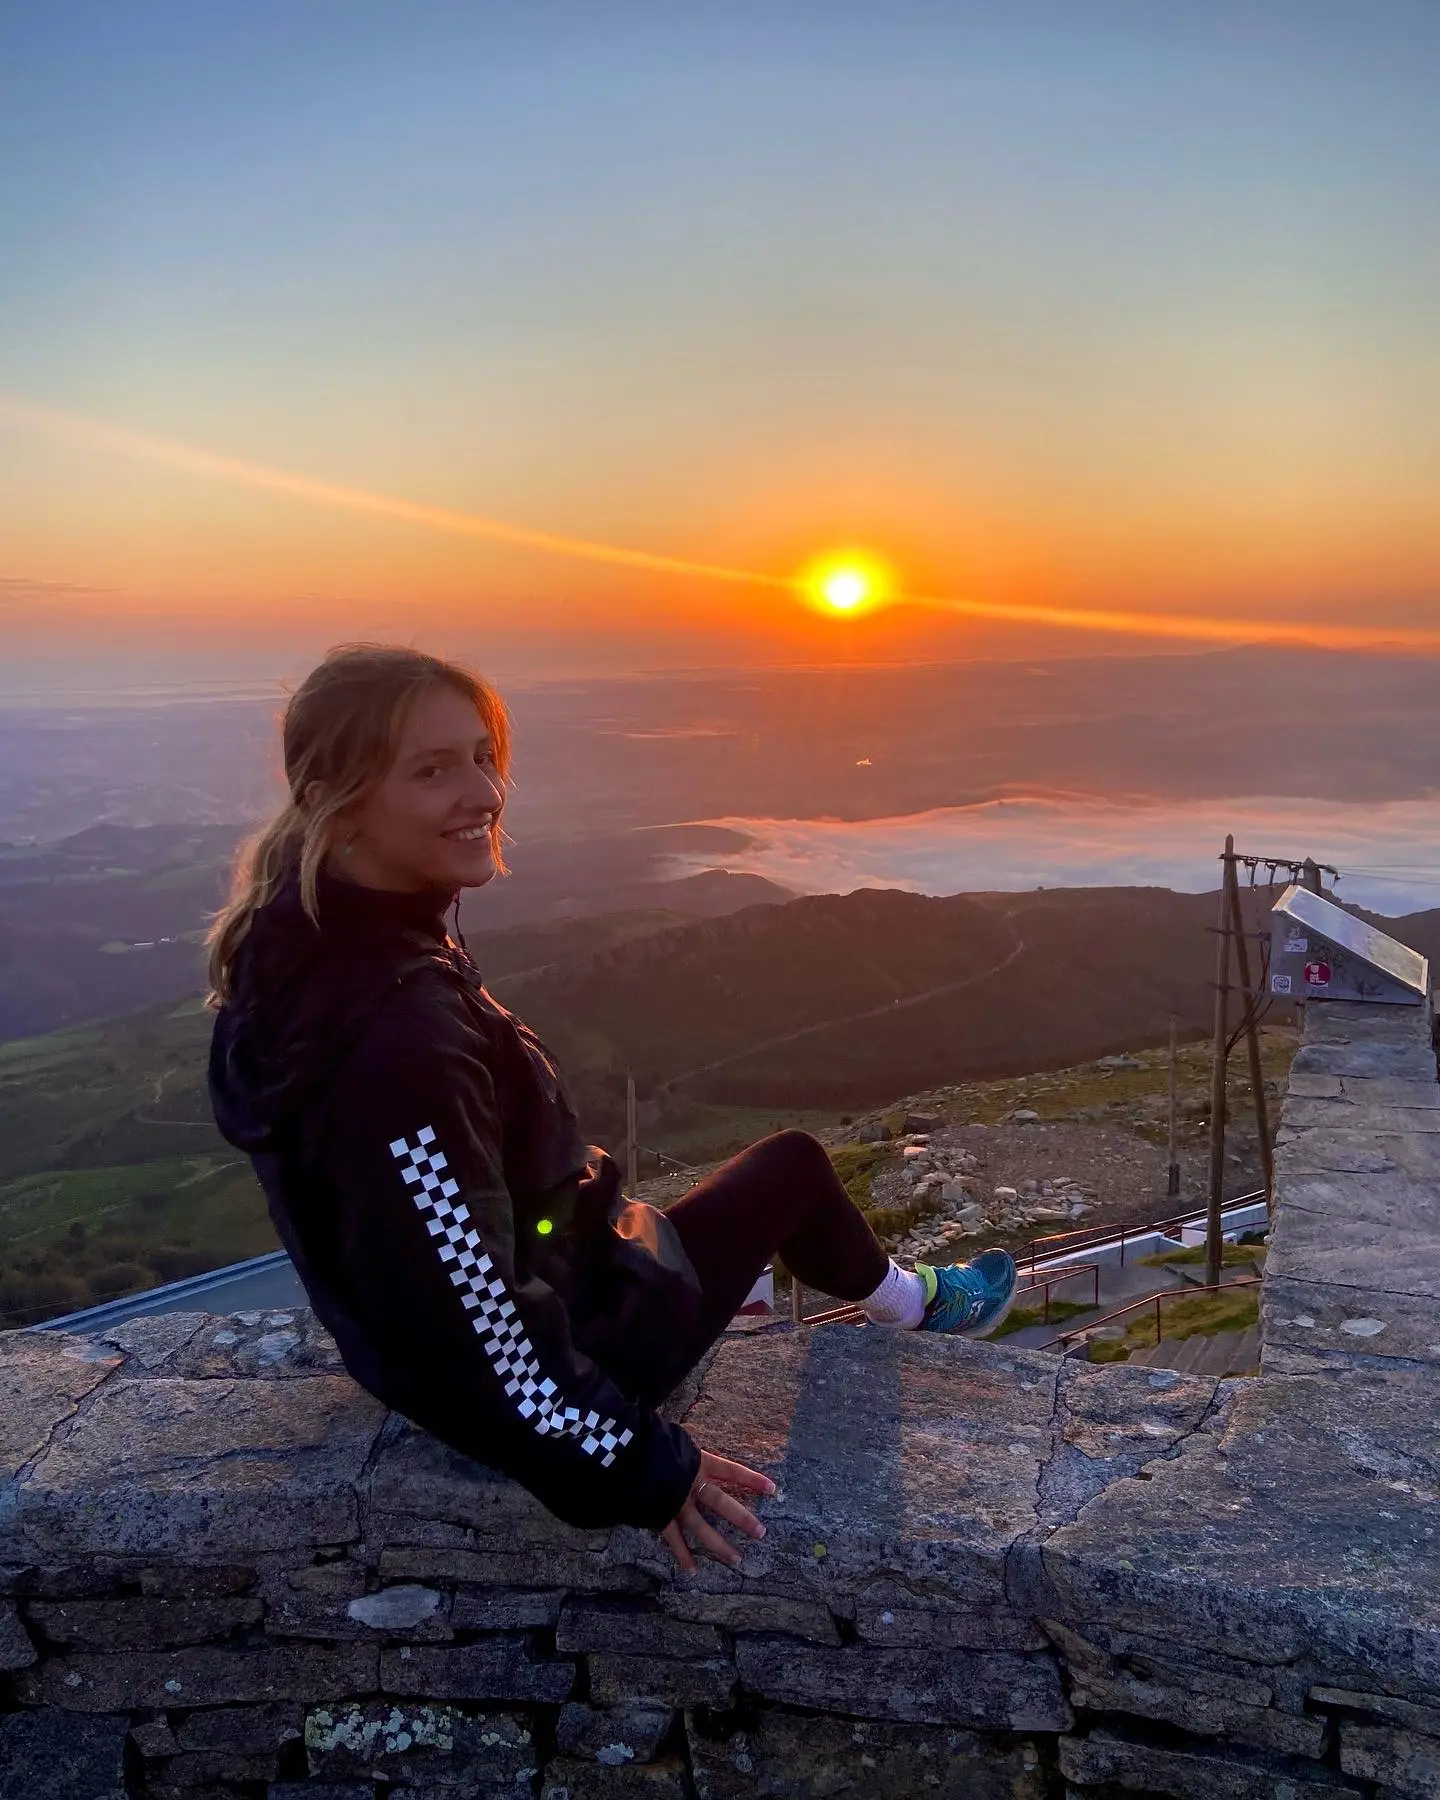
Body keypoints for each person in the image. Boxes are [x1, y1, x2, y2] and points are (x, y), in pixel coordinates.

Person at [207, 644, 1017, 1572]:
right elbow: (474, 1331)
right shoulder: (399, 1048)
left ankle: (818, 1302)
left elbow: (428, 1252)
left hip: (562, 1283)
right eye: (433, 771)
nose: (484, 791)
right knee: (790, 1164)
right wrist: (644, 1466)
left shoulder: (296, 954)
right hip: (594, 1347)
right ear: (337, 802)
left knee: (730, 1190)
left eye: (482, 755)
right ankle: (917, 1309)